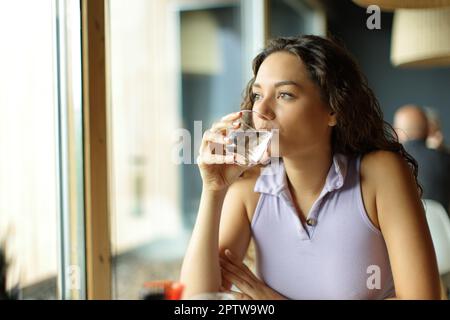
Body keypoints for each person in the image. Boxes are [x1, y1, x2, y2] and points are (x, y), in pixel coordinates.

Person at [179, 35, 440, 300]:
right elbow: (197, 301)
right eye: (258, 95)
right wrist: (212, 191)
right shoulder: (250, 189)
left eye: (285, 95)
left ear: (332, 109)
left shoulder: (380, 173)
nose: (263, 110)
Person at [393, 105, 450, 213]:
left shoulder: (388, 162)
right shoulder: (445, 160)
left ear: (395, 132)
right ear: (428, 131)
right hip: (442, 228)